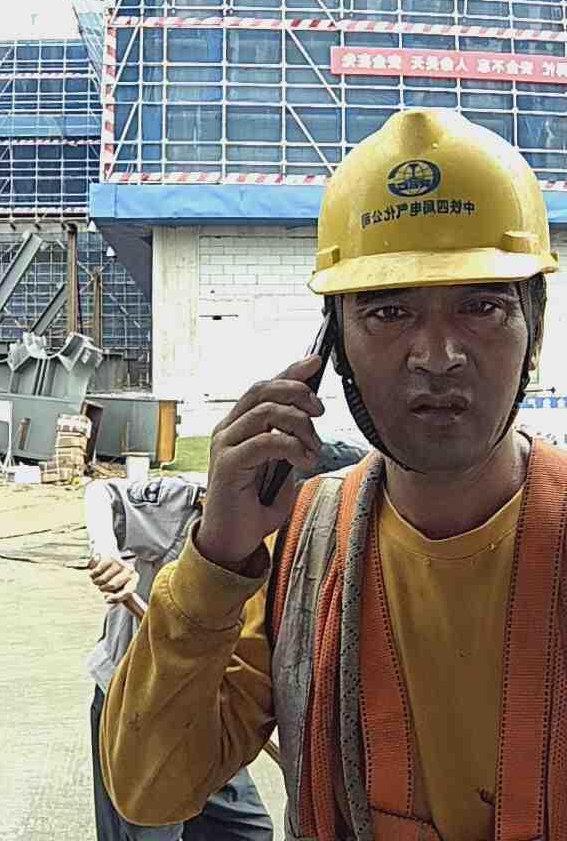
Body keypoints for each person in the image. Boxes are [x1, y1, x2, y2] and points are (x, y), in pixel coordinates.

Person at [99, 107, 567, 841]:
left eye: (481, 306)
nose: (437, 355)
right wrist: (216, 557)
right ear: (334, 349)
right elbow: (150, 788)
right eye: (388, 313)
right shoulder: (295, 551)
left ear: (533, 334)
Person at [85, 474, 275, 841]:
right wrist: (107, 553)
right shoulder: (190, 506)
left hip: (212, 708)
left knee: (247, 833)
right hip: (135, 708)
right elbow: (101, 493)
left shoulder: (296, 544)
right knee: (150, 827)